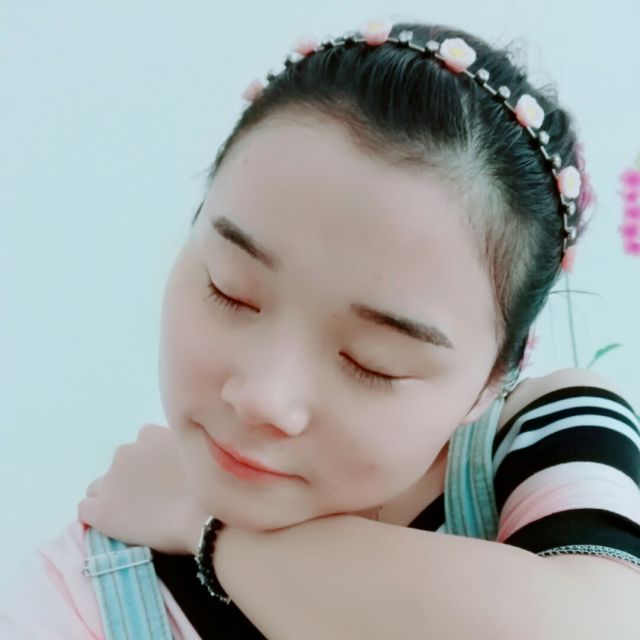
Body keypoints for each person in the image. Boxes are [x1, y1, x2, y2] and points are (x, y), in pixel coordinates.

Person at [2, 18, 640, 640]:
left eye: (372, 360)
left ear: (493, 378)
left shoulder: (541, 437)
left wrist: (205, 526)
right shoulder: (73, 597)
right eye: (230, 289)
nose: (263, 398)